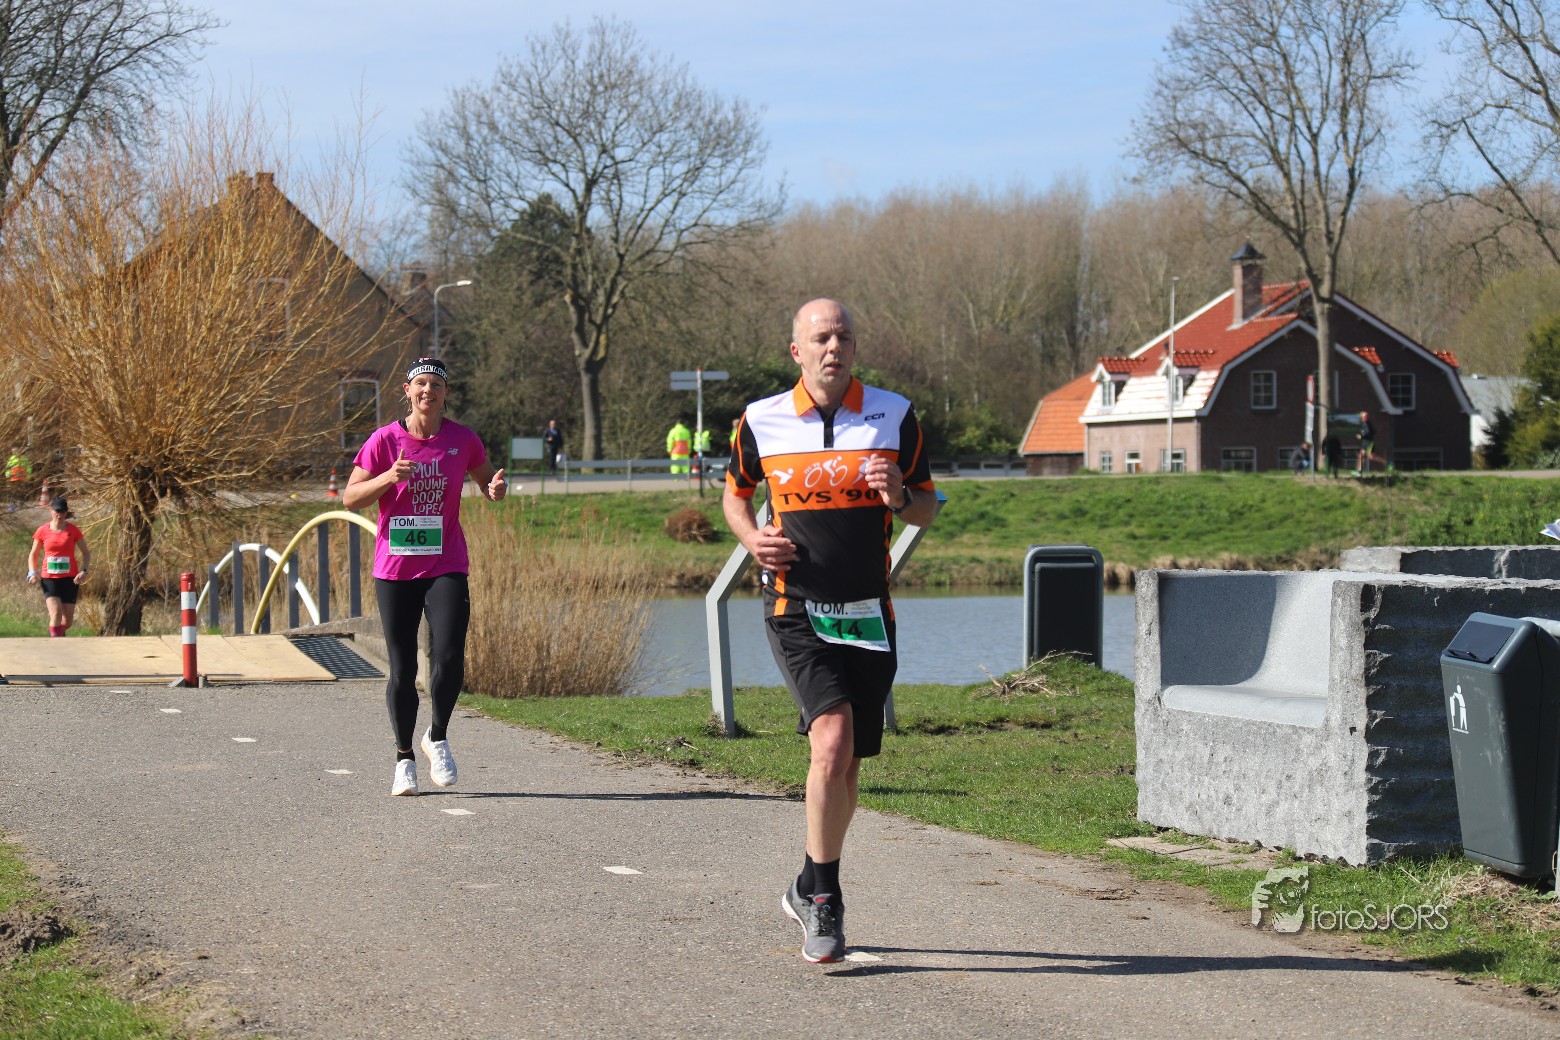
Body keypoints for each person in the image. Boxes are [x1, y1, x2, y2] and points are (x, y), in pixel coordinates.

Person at [723, 298, 938, 963]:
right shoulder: (761, 419)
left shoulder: (893, 415)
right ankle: (825, 898)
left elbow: (928, 508)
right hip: (795, 606)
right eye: (820, 338)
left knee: (848, 764)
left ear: (854, 347)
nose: (833, 347)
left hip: (868, 612)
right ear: (798, 351)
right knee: (831, 741)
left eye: (843, 335)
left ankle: (807, 879)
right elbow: (735, 493)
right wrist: (752, 538)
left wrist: (899, 494)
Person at [345, 357, 508, 798]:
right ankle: (404, 759)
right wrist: (388, 477)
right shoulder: (384, 440)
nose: (427, 391)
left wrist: (494, 491)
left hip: (445, 562)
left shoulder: (462, 439)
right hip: (396, 568)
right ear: (407, 390)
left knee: (450, 655)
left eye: (436, 384)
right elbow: (350, 498)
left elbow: (485, 481)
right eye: (420, 383)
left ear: (445, 393)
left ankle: (437, 735)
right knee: (402, 669)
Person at [27, 497, 89, 637]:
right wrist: (32, 572)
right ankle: (55, 644)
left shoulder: (73, 531)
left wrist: (84, 571)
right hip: (49, 578)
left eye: (62, 512)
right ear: (51, 511)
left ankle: (59, 636)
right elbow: (33, 554)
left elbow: (86, 553)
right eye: (56, 511)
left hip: (70, 579)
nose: (59, 515)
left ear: (66, 513)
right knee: (56, 614)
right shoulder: (42, 530)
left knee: (67, 622)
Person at [1355, 410, 1383, 475]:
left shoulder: (1368, 424)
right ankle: (1358, 471)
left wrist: (1361, 436)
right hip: (1366, 442)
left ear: (1365, 417)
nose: (1361, 418)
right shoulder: (1363, 424)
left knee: (1366, 456)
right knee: (1367, 456)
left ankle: (1359, 471)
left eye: (1362, 417)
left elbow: (1370, 433)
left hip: (1369, 442)